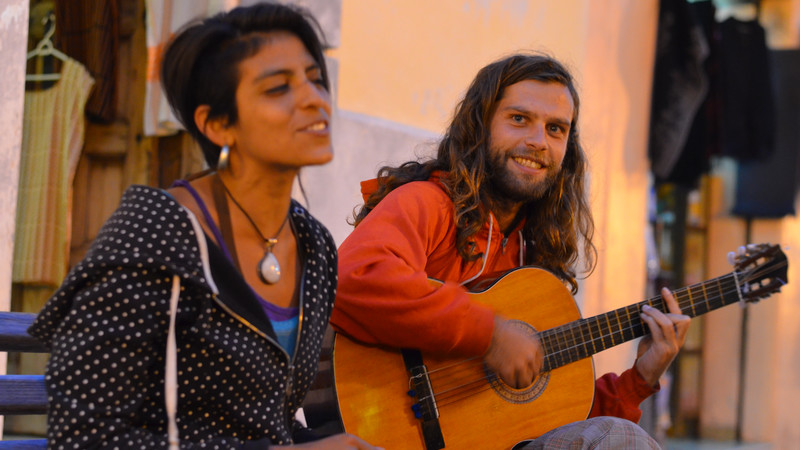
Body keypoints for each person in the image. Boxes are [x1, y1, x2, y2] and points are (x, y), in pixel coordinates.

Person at [28, 3, 378, 449]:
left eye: (314, 77)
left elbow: (265, 422)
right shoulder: (154, 235)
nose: (314, 98)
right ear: (216, 124)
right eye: (277, 89)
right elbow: (86, 436)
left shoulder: (314, 245)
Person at [330, 53, 691, 448]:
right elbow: (352, 277)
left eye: (556, 129)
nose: (538, 142)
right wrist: (489, 334)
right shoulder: (427, 203)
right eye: (519, 119)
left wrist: (640, 378)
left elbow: (562, 422)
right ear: (480, 124)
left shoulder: (534, 254)